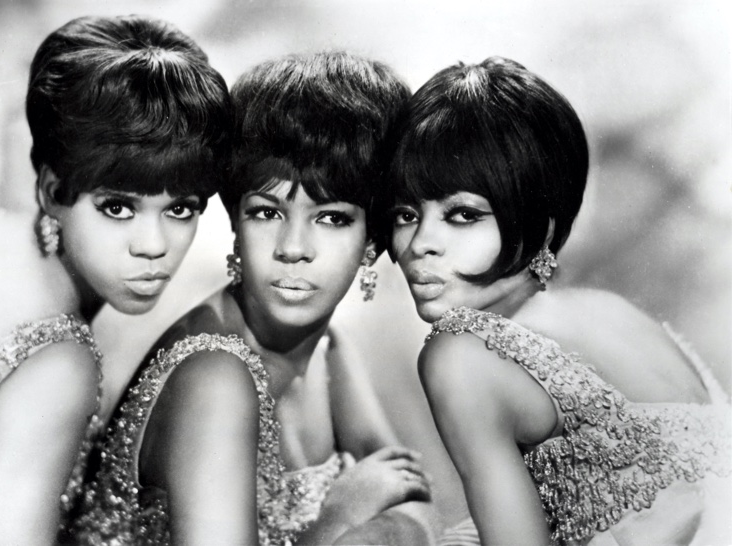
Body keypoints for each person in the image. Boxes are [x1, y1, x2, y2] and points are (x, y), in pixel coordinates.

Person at [69, 51, 435, 545]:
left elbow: (415, 499)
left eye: (331, 218)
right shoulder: (214, 375)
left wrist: (385, 528)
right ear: (235, 221)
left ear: (374, 240)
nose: (292, 249)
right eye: (266, 212)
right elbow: (393, 513)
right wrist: (341, 519)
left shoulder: (330, 351)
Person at [387, 56, 731, 545]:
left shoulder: (460, 354)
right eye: (405, 214)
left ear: (541, 224)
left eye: (462, 214)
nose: (420, 243)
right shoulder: (616, 313)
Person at [0, 14, 232, 544]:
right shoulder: (56, 362)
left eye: (181, 209)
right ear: (51, 189)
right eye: (118, 207)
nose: (154, 244)